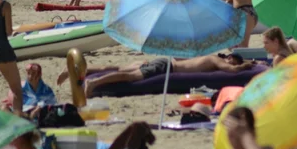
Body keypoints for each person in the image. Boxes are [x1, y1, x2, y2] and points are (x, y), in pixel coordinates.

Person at [80, 54, 253, 97]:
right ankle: (94, 83)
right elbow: (232, 71)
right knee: (130, 77)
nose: (230, 64)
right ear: (230, 58)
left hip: (164, 63)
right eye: (233, 61)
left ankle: (87, 71)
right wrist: (249, 64)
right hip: (165, 67)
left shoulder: (207, 58)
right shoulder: (216, 60)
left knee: (122, 69)